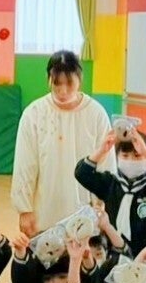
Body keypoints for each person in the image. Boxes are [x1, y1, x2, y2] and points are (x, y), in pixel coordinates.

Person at [10, 51, 114, 237]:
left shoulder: (96, 114)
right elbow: (24, 165)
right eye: (57, 84)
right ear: (48, 80)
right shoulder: (34, 113)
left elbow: (106, 164)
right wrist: (24, 209)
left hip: (85, 215)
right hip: (44, 215)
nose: (63, 91)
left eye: (69, 83)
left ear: (80, 79)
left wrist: (103, 205)